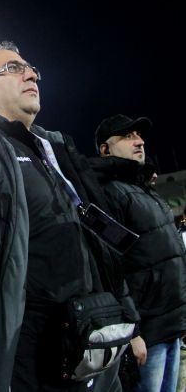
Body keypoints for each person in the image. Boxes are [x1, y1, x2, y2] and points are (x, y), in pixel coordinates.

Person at [0, 41, 137, 391]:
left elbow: (99, 245)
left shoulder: (57, 150)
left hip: (86, 347)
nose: (30, 75)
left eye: (31, 69)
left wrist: (127, 316)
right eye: (13, 69)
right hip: (19, 362)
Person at [90, 115, 186, 392]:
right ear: (105, 149)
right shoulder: (107, 193)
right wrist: (132, 331)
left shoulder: (144, 190)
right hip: (146, 333)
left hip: (171, 325)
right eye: (127, 136)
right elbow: (110, 266)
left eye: (139, 135)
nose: (139, 141)